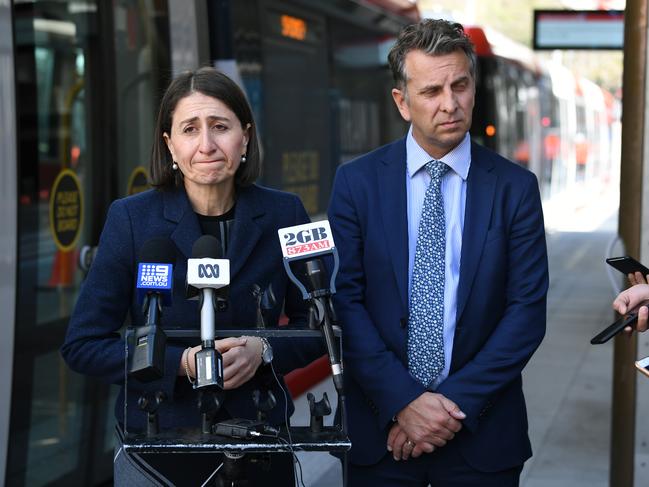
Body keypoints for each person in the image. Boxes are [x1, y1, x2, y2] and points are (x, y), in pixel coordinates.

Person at [61, 67, 323, 485]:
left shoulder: (284, 214)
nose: (206, 145)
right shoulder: (131, 220)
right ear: (170, 145)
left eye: (220, 126)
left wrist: (264, 350)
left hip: (261, 441)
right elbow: (83, 345)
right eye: (189, 129)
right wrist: (177, 364)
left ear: (246, 137)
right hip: (156, 447)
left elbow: (321, 326)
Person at [328, 19, 549, 486]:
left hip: (482, 436)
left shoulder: (516, 188)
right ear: (401, 102)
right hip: (382, 433)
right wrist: (404, 403)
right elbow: (345, 303)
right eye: (431, 91)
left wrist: (446, 411)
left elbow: (526, 312)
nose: (450, 103)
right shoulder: (356, 184)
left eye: (460, 85)